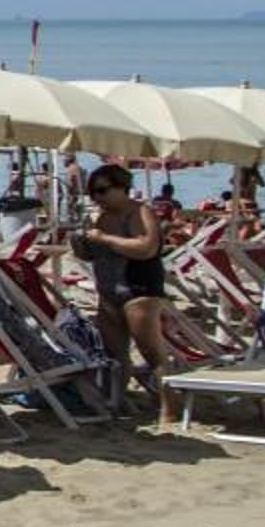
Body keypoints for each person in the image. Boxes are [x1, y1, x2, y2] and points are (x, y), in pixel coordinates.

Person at [75, 164, 173, 423]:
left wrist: (105, 239)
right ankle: (118, 400)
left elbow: (146, 247)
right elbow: (92, 254)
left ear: (122, 187)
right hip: (109, 290)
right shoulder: (102, 217)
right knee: (114, 353)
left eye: (102, 191)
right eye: (92, 193)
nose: (97, 197)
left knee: (151, 351)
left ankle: (169, 407)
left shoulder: (140, 212)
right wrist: (81, 243)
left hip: (138, 287)